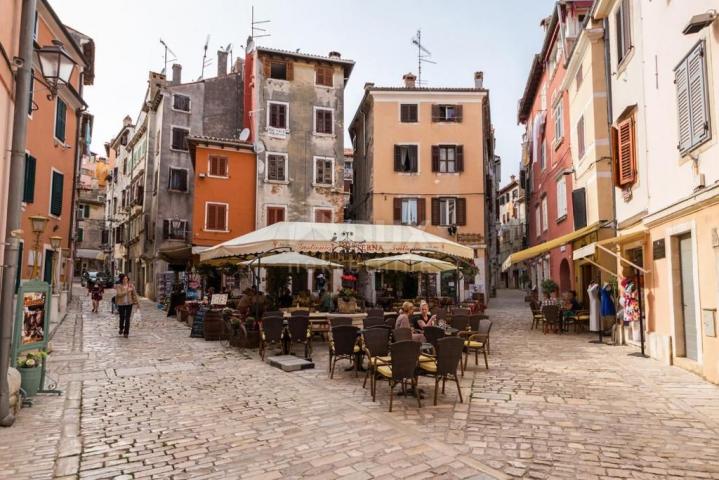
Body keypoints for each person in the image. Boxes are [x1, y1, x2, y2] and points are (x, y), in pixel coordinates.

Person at [115, 274, 139, 338]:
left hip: (129, 304)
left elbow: (134, 294)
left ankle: (126, 333)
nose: (125, 280)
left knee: (127, 318)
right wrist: (127, 291)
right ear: (122, 280)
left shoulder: (131, 286)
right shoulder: (119, 286)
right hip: (121, 304)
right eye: (124, 279)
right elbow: (119, 294)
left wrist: (138, 303)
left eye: (126, 279)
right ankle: (121, 328)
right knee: (122, 317)